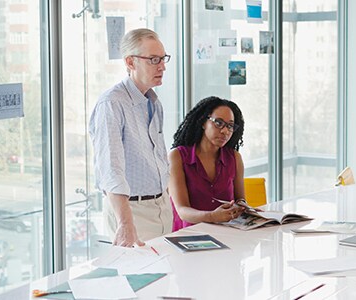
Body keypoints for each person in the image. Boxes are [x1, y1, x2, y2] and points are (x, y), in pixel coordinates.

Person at [88, 28, 174, 247]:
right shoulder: (112, 104)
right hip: (131, 213)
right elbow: (110, 169)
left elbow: (157, 158)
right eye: (153, 59)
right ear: (130, 62)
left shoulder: (154, 101)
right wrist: (125, 224)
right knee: (139, 278)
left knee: (167, 277)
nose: (162, 66)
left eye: (163, 59)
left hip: (161, 207)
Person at [167, 96, 248, 231]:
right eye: (218, 123)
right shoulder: (177, 157)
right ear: (203, 122)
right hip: (190, 236)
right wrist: (212, 216)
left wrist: (241, 207)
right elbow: (182, 210)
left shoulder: (235, 158)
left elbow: (241, 200)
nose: (225, 131)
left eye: (230, 126)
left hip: (229, 234)